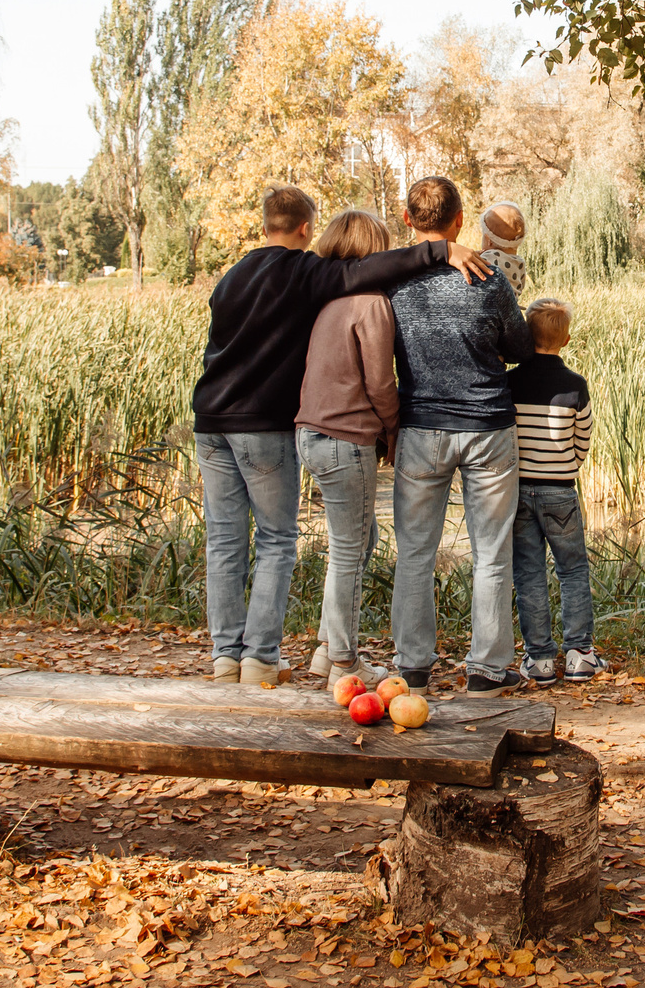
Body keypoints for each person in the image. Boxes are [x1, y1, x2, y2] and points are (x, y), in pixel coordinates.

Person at [190, 184, 492, 687]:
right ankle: (263, 657)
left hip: (210, 421)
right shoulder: (305, 273)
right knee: (278, 539)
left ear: (266, 223)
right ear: (306, 228)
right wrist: (443, 249)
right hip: (262, 424)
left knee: (223, 538)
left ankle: (226, 655)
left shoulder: (231, 277)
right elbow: (369, 273)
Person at [388, 174, 532, 695]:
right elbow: (519, 347)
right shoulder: (488, 279)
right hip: (488, 426)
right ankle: (488, 668)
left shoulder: (393, 282)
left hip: (421, 428)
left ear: (407, 220)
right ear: (459, 221)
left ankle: (413, 664)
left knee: (415, 550)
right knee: (490, 551)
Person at [294, 208, 400, 683]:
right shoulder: (370, 302)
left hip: (310, 433)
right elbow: (380, 382)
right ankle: (343, 662)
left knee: (359, 540)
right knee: (349, 549)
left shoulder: (326, 300)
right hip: (345, 437)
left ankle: (325, 649)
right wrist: (394, 428)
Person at [507, 297, 607, 683]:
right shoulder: (574, 385)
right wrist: (567, 465)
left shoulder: (511, 381)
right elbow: (583, 439)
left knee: (528, 572)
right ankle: (580, 653)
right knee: (572, 569)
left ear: (526, 336)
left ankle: (540, 659)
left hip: (518, 491)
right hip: (560, 489)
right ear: (565, 340)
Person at [478, 201, 530, 295]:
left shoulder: (490, 257)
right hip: (509, 307)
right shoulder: (519, 262)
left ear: (488, 239)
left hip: (491, 306)